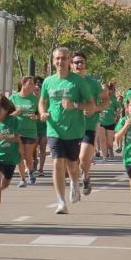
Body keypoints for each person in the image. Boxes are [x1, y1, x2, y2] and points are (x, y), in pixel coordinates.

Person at [39, 47, 92, 214]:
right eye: (57, 59)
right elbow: (42, 101)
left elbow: (91, 105)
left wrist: (75, 105)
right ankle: (61, 201)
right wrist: (42, 113)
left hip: (74, 130)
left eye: (63, 58)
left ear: (69, 61)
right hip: (54, 129)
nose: (60, 62)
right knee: (57, 163)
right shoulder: (48, 82)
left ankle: (75, 183)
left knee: (73, 166)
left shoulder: (78, 81)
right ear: (53, 61)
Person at [70, 51, 107, 195]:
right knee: (73, 161)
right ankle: (76, 181)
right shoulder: (66, 82)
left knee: (83, 159)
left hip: (88, 126)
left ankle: (86, 177)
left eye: (81, 62)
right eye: (76, 62)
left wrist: (95, 108)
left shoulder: (93, 83)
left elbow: (106, 100)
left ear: (85, 65)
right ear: (71, 65)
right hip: (70, 127)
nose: (79, 65)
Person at [9, 76, 39, 186]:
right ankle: (23, 178)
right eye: (30, 83)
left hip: (30, 131)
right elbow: (5, 114)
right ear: (23, 84)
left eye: (33, 83)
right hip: (16, 131)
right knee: (19, 155)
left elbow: (39, 113)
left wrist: (36, 116)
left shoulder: (35, 99)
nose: (33, 86)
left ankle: (30, 172)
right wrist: (15, 113)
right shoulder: (13, 98)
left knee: (27, 156)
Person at [33, 76, 48, 177]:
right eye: (35, 86)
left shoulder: (46, 99)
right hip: (33, 126)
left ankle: (41, 169)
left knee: (43, 147)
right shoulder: (31, 99)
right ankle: (34, 162)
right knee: (33, 148)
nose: (37, 89)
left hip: (45, 126)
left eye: (39, 87)